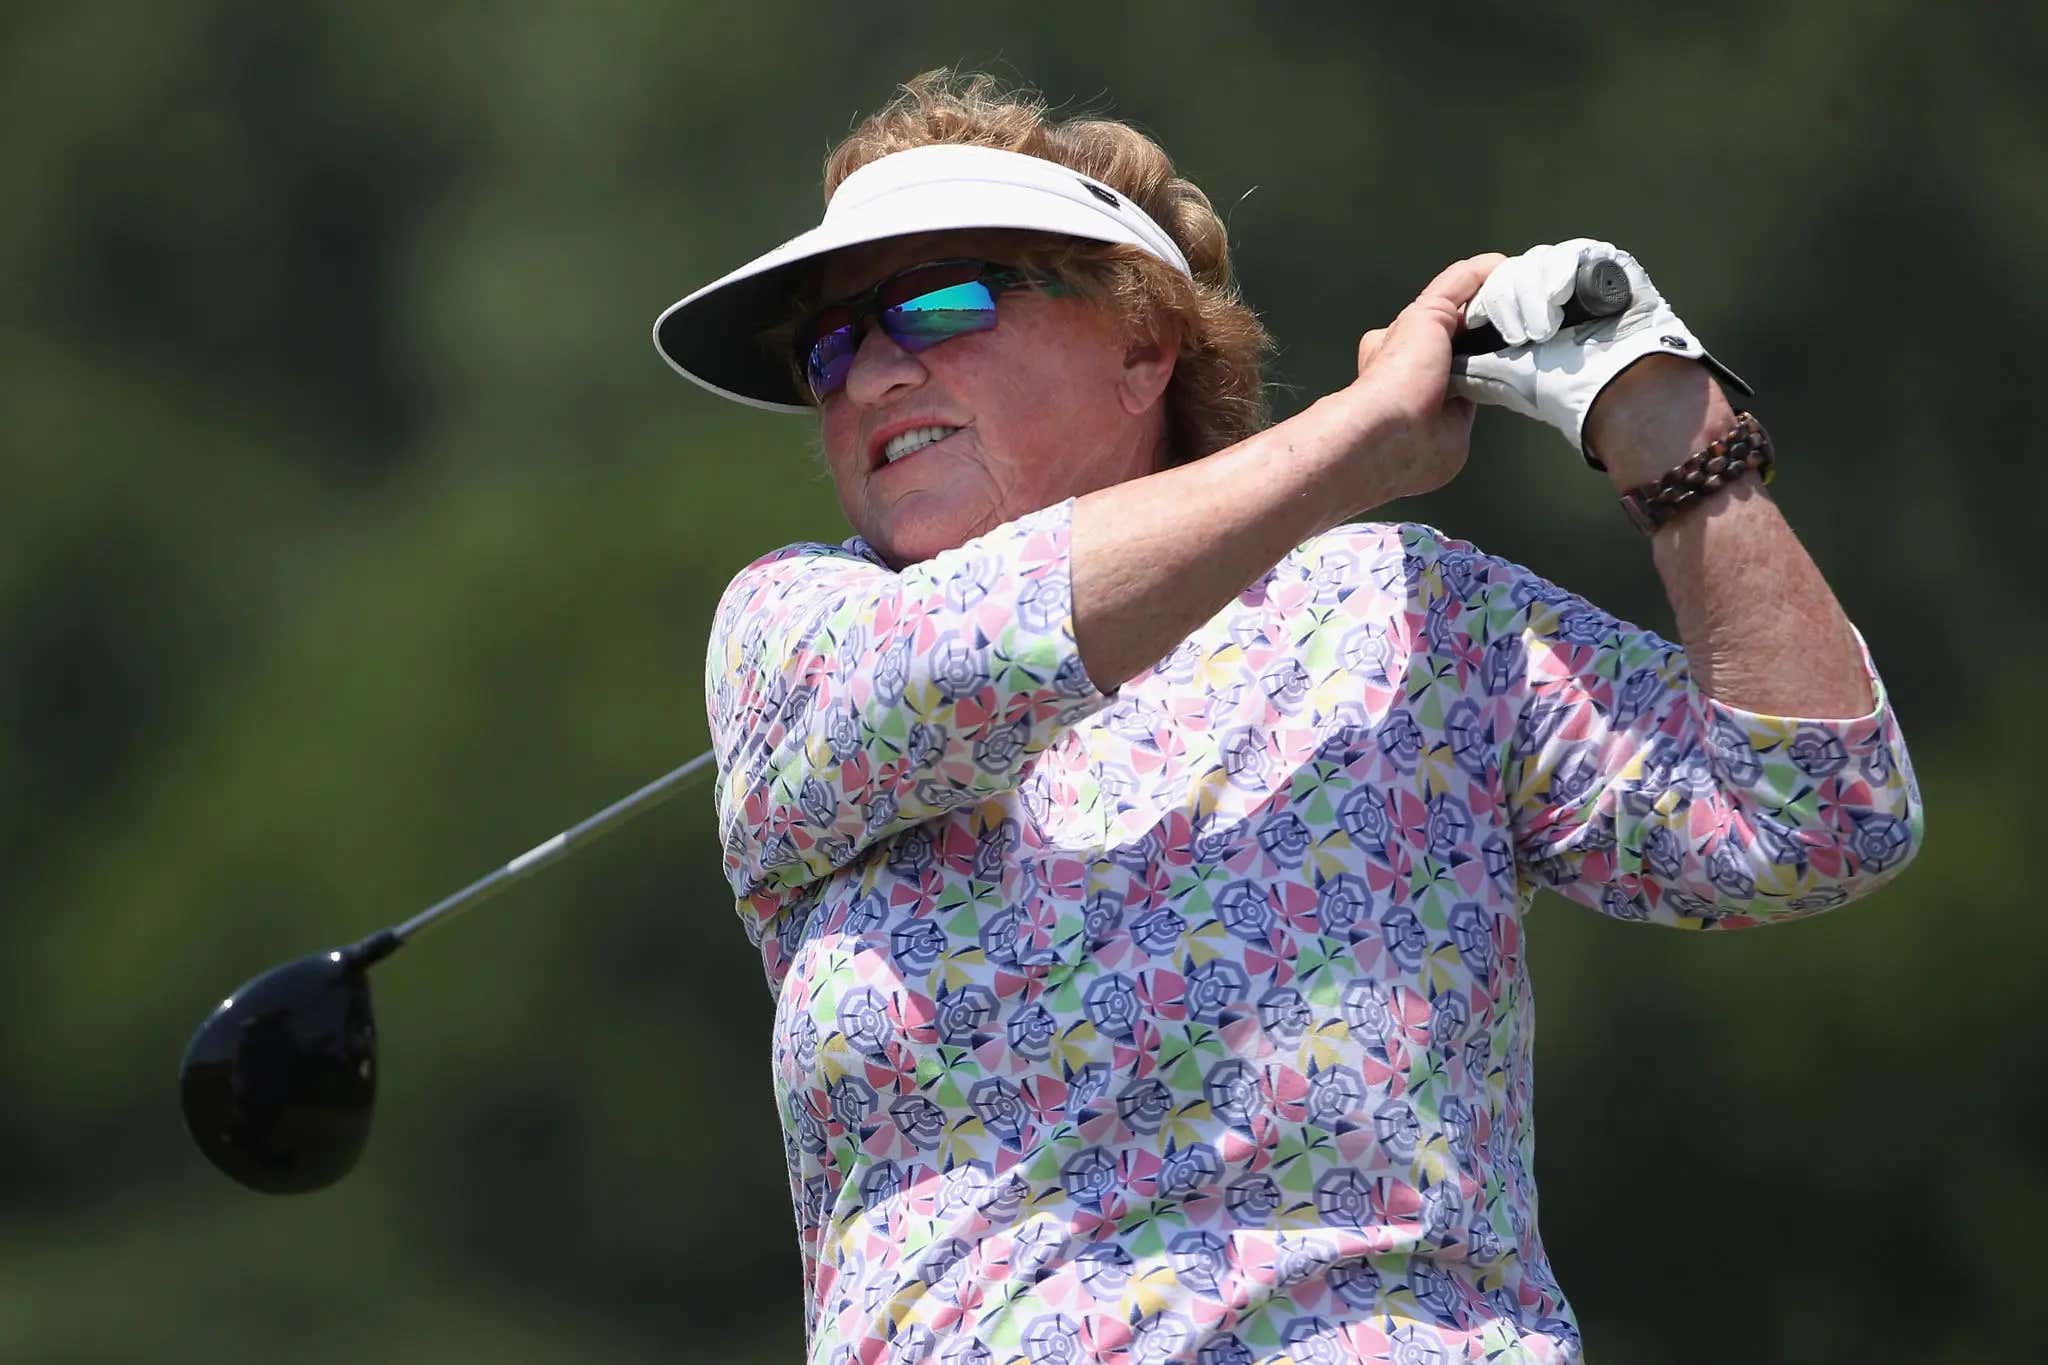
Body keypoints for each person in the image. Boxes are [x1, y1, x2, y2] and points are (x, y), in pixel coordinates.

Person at [655, 71, 1922, 1365]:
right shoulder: (793, 632)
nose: (870, 372)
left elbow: (1822, 816)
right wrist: (1360, 439)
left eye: (937, 303)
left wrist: (1663, 420)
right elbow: (989, 645)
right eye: (827, 349)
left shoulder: (1403, 615)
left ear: (1143, 346)